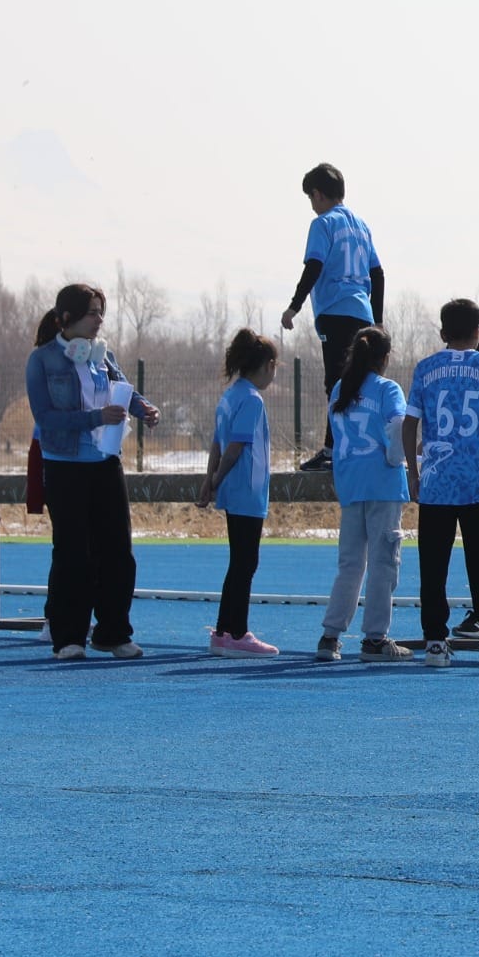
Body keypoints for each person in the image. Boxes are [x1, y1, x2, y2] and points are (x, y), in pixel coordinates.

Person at [27, 284, 159, 661]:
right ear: (66, 317)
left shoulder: (104, 355)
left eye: (101, 312)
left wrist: (144, 408)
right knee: (73, 553)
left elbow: (123, 392)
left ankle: (113, 632)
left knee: (119, 552)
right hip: (65, 466)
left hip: (106, 462)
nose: (99, 320)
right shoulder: (42, 360)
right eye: (91, 312)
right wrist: (95, 418)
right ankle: (68, 637)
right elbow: (46, 418)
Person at [407, 299, 479, 667]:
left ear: (442, 334)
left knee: (433, 565)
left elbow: (410, 425)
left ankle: (436, 643)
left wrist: (413, 471)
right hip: (476, 481)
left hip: (437, 482)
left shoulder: (425, 368)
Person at [317, 325, 414, 662]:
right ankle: (375, 638)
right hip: (383, 484)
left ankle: (330, 636)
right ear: (385, 358)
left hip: (350, 483)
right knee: (384, 563)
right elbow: (400, 427)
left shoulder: (342, 388)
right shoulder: (388, 389)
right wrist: (396, 458)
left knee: (350, 564)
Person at [279, 162, 383, 471]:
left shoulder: (323, 223)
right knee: (360, 379)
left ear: (318, 195)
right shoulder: (361, 226)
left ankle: (331, 449)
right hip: (362, 314)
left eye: (311, 198)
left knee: (336, 381)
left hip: (335, 312)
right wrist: (376, 322)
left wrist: (294, 306)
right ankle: (361, 443)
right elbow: (377, 274)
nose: (312, 205)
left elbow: (314, 265)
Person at [198, 328, 281, 657]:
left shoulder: (229, 395)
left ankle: (223, 631)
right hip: (247, 489)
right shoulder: (251, 399)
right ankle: (236, 631)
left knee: (239, 562)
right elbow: (233, 447)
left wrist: (210, 481)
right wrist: (215, 480)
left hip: (235, 490)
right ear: (266, 365)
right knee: (245, 562)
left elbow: (216, 444)